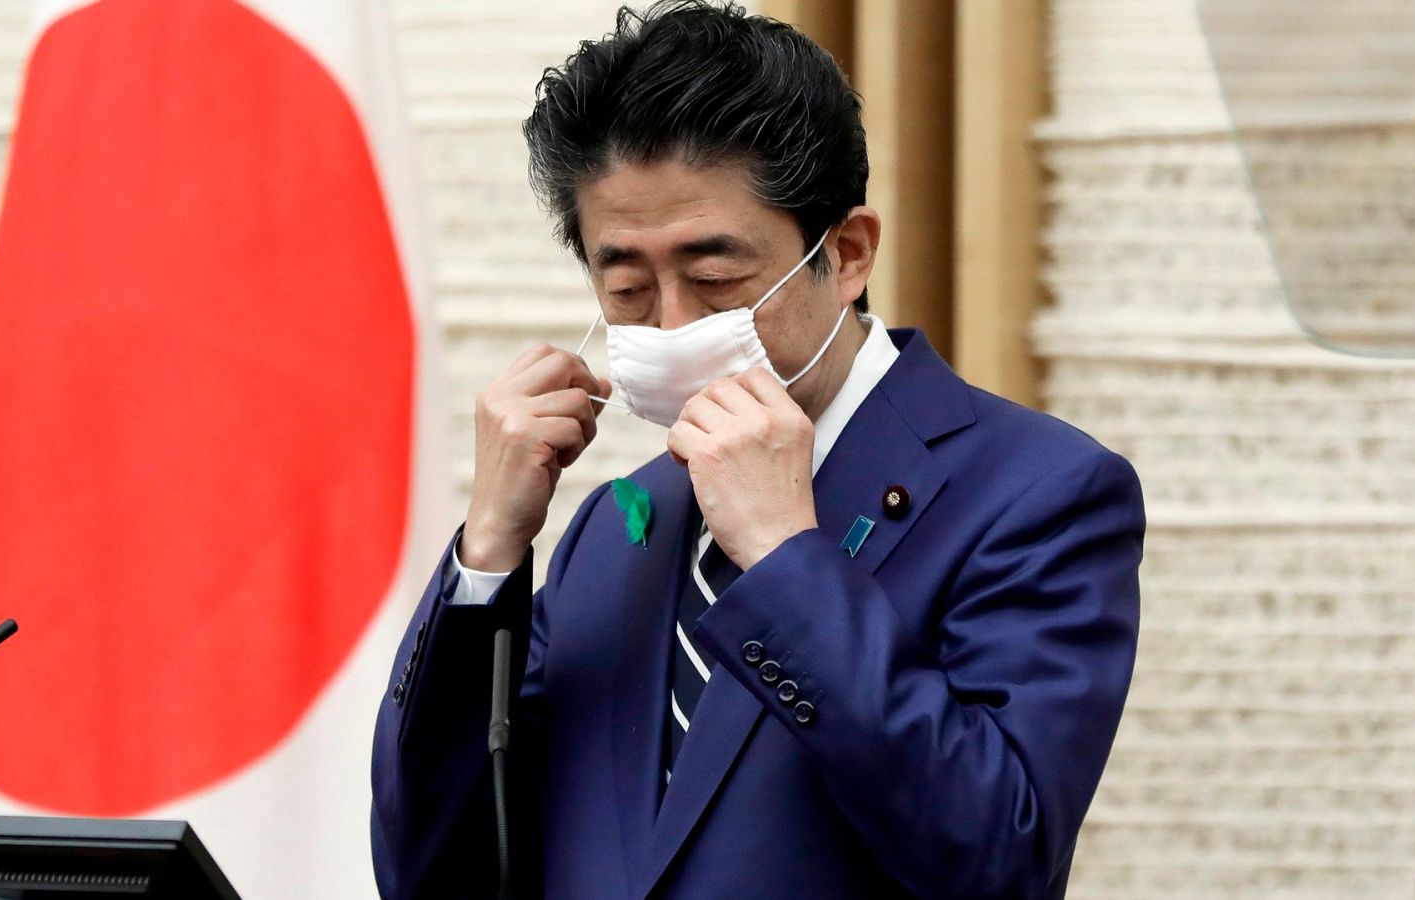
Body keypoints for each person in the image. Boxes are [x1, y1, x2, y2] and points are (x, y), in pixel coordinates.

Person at [370, 2, 1144, 897]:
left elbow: (996, 856)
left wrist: (785, 560)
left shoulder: (1037, 492)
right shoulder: (616, 526)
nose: (671, 323)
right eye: (625, 287)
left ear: (846, 254)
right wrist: (486, 559)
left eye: (715, 279)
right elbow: (436, 869)